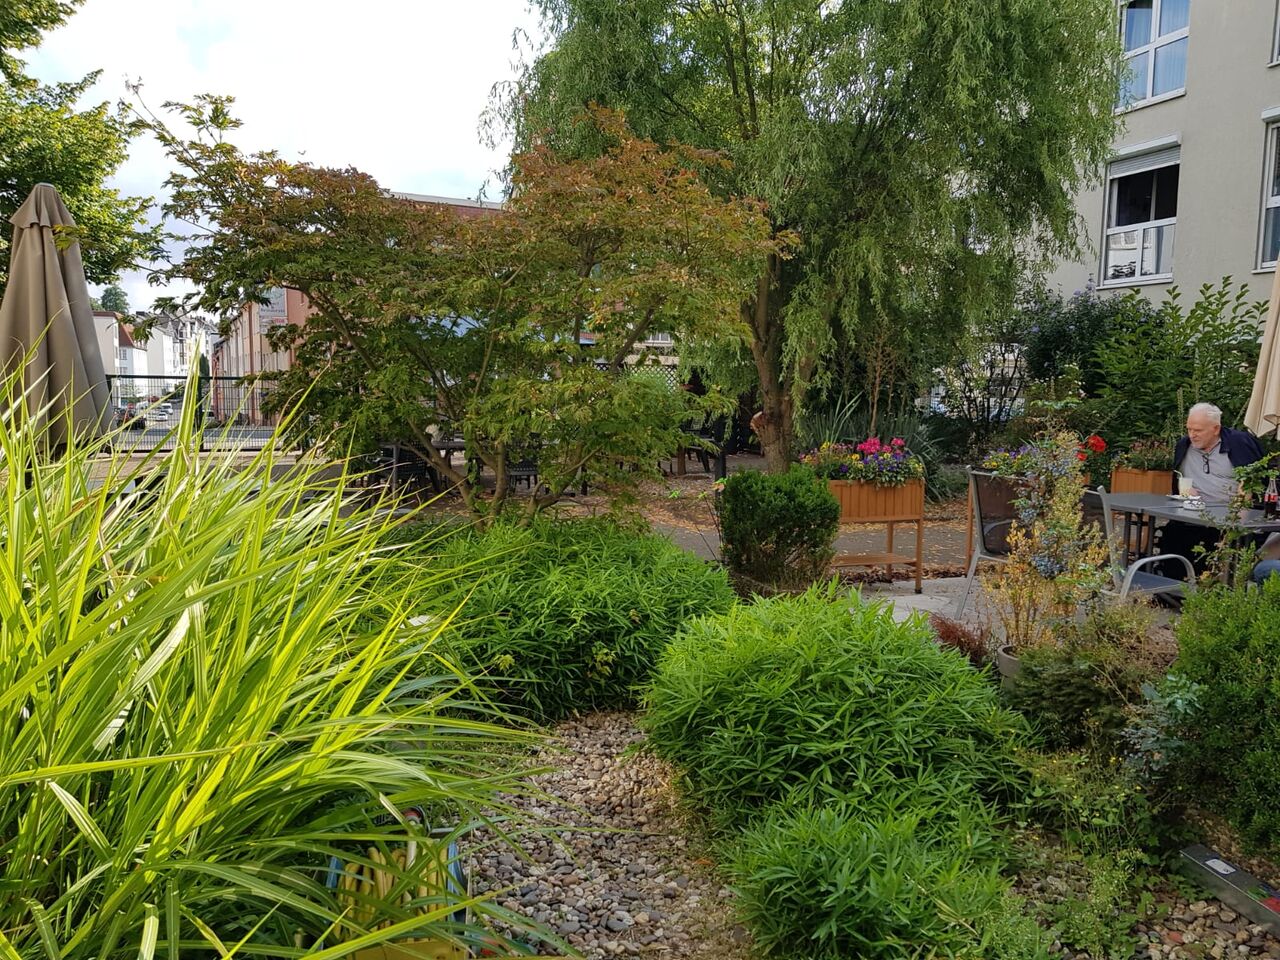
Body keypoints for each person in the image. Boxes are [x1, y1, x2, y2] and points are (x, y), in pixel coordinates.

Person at [1158, 403, 1264, 577]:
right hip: (1193, 515)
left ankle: (1208, 590)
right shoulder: (1184, 446)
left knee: (1214, 542)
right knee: (1172, 534)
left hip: (1230, 518)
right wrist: (1186, 491)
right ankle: (1170, 592)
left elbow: (1250, 487)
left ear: (1216, 429)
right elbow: (1180, 479)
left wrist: (1236, 516)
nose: (1192, 435)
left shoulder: (1239, 444)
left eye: (1198, 430)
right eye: (1189, 429)